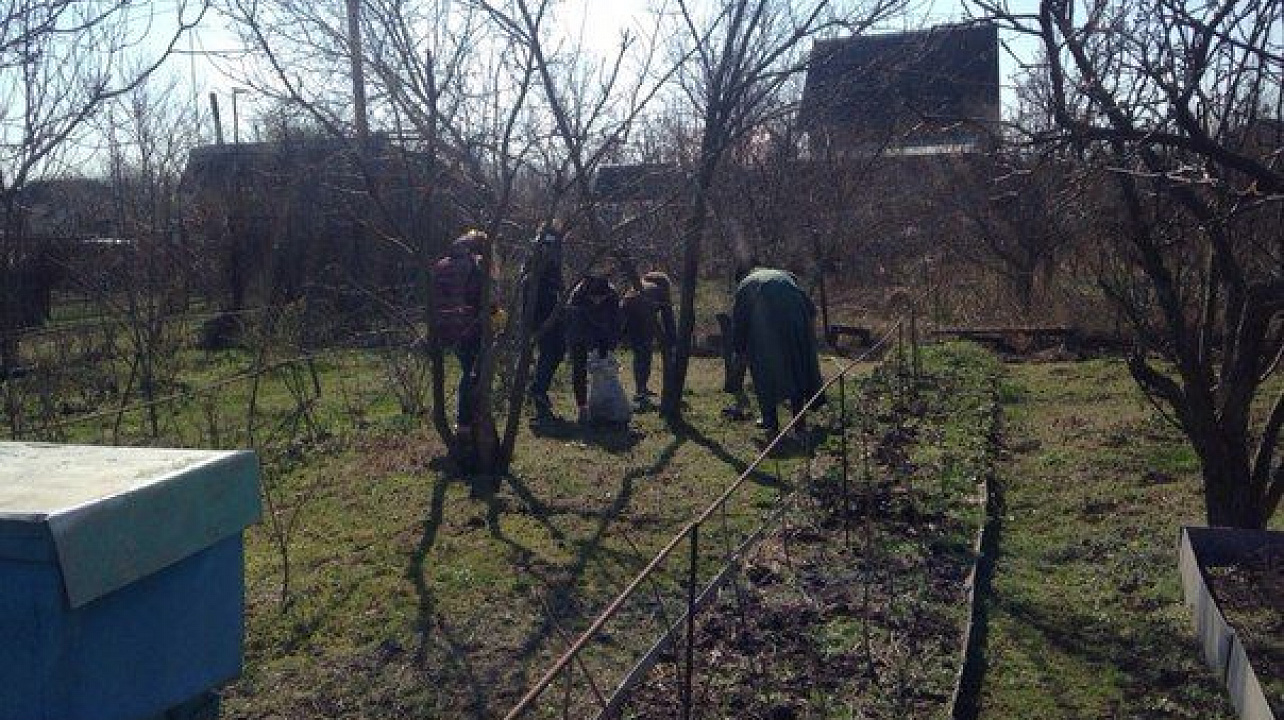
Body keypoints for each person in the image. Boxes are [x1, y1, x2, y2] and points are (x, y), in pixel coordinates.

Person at [730, 263, 824, 438]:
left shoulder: (745, 285)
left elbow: (740, 320)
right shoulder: (785, 278)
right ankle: (800, 424)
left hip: (767, 329)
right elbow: (811, 310)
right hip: (796, 324)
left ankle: (770, 422)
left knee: (763, 372)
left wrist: (739, 348)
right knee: (797, 370)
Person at [432, 230, 487, 432]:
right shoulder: (475, 265)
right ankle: (465, 421)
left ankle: (466, 420)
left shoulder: (442, 264)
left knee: (466, 368)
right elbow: (481, 298)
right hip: (468, 326)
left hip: (444, 325)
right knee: (471, 373)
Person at [566, 272, 622, 424]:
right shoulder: (577, 297)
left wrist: (609, 345)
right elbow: (575, 328)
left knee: (604, 370)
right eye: (594, 297)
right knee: (579, 369)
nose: (598, 300)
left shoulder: (612, 295)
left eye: (601, 297)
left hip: (602, 335)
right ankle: (583, 407)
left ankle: (605, 406)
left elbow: (616, 322)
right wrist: (586, 347)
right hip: (579, 336)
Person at [527, 221, 566, 421]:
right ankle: (538, 390)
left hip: (549, 311)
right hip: (543, 313)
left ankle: (538, 389)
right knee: (552, 351)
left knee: (555, 351)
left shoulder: (550, 253)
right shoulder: (541, 253)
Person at [619, 270, 676, 407]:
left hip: (626, 314)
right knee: (644, 353)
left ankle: (641, 388)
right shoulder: (660, 290)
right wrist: (671, 339)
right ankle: (641, 390)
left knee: (639, 353)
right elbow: (668, 316)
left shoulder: (640, 286)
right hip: (642, 315)